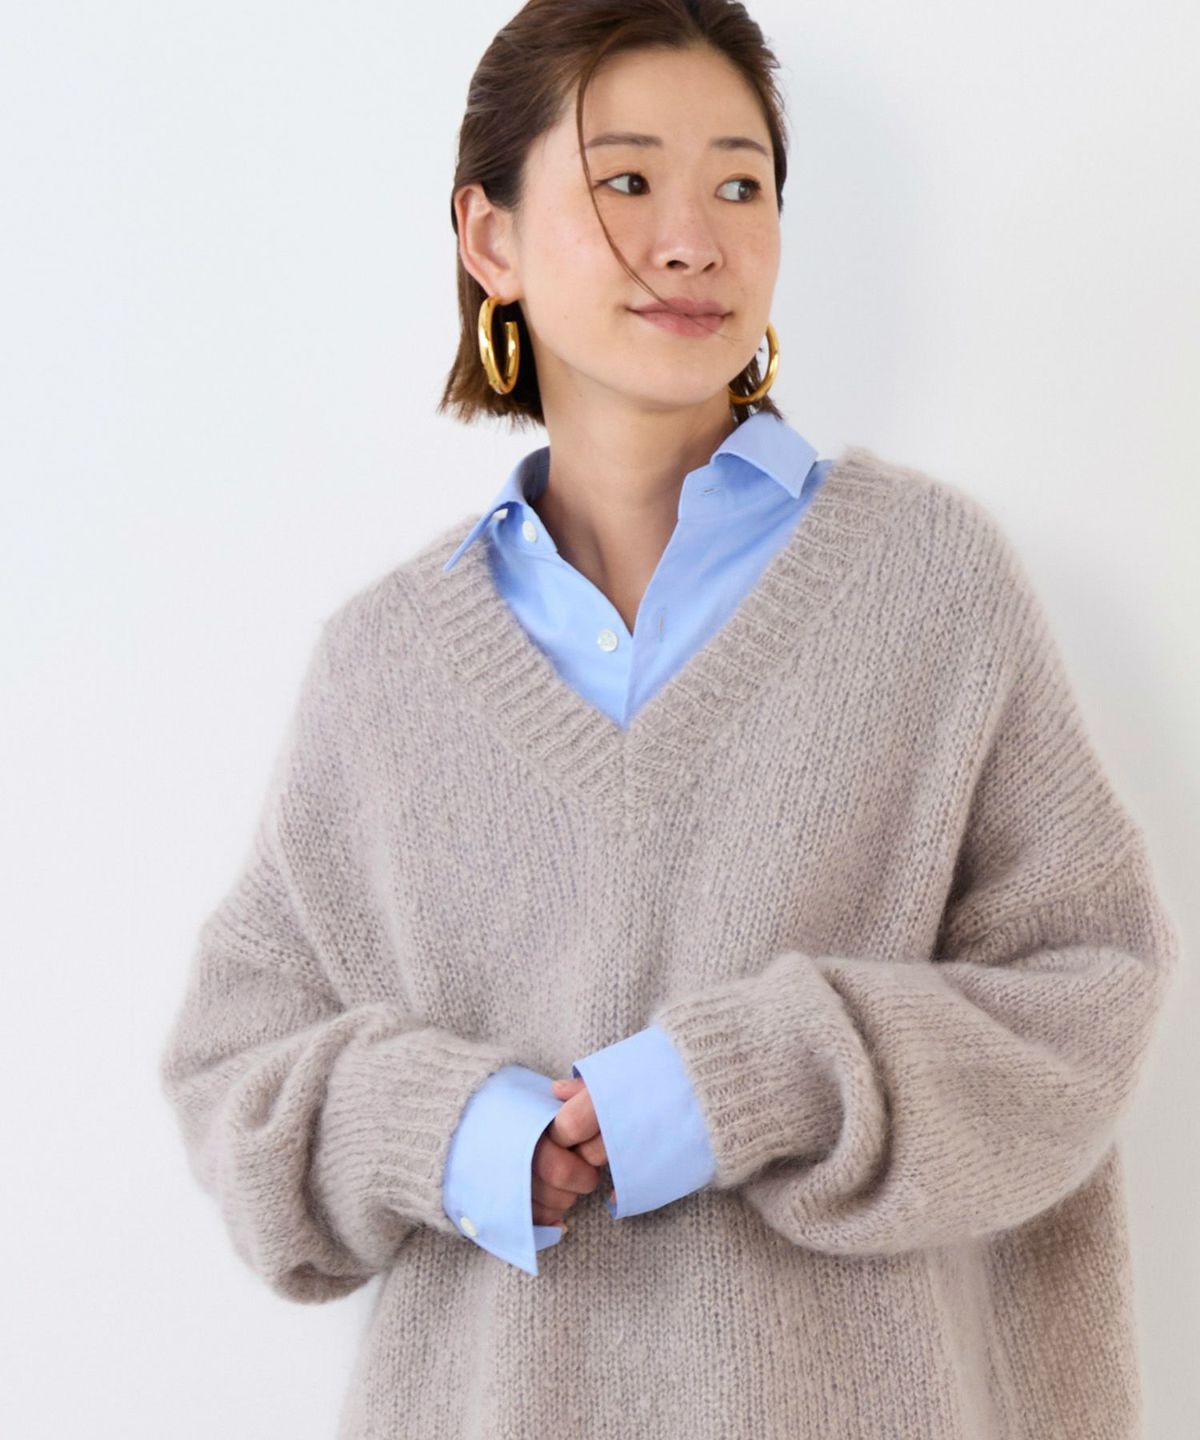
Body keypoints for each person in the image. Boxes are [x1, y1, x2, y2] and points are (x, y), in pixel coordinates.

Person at [157, 3, 1180, 1437]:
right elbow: (237, 1069)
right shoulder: (380, 668)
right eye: (627, 179)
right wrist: (447, 1131)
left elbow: (1088, 994)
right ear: (491, 239)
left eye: (741, 185)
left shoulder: (931, 587)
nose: (694, 239)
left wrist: (748, 1081)